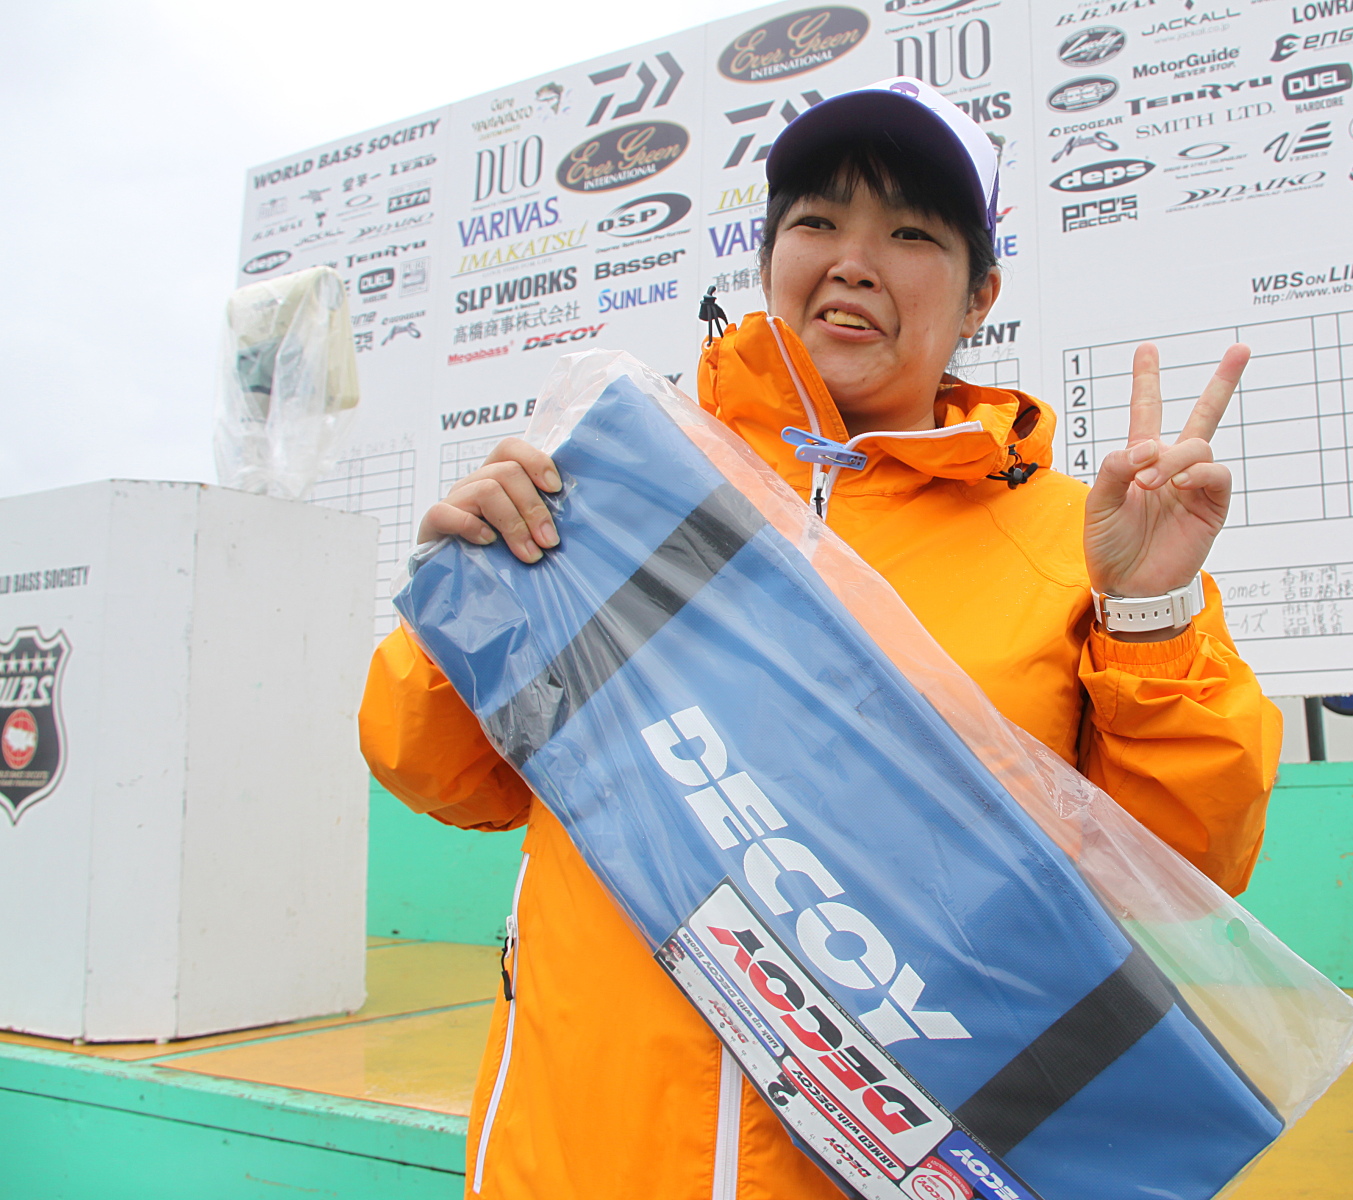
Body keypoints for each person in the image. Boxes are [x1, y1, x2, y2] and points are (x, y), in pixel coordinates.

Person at [360, 77, 1281, 1200]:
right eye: (816, 222)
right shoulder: (623, 481)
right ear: (768, 261)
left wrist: (1147, 614)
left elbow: (1184, 871)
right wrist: (465, 591)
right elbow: (435, 770)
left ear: (981, 296)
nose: (853, 261)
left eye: (910, 234)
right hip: (575, 1160)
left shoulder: (1081, 543)